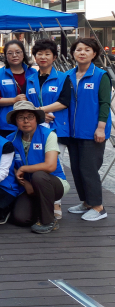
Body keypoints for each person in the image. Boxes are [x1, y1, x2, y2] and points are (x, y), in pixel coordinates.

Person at [66, 38, 112, 221]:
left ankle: (99, 207)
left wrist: (101, 128)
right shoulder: (68, 75)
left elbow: (104, 104)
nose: (82, 52)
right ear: (73, 53)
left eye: (87, 49)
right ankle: (86, 202)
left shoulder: (101, 76)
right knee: (76, 168)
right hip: (72, 132)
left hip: (93, 132)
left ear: (94, 54)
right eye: (78, 49)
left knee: (89, 168)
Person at [6, 101, 69, 233]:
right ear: (15, 121)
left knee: (39, 175)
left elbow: (50, 166)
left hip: (52, 182)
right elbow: (9, 167)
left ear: (37, 119)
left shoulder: (48, 135)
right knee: (21, 219)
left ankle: (48, 221)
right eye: (21, 117)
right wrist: (25, 185)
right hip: (26, 186)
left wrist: (24, 169)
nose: (26, 121)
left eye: (30, 116)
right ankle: (40, 209)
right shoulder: (10, 139)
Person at [26, 39, 71, 220]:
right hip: (35, 128)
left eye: (47, 54)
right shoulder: (30, 79)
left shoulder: (63, 77)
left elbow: (64, 102)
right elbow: (26, 103)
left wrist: (40, 111)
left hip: (56, 128)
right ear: (35, 56)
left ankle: (56, 202)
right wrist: (38, 115)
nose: (43, 57)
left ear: (54, 57)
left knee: (54, 165)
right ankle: (43, 199)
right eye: (39, 54)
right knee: (38, 162)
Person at [0, 40, 37, 137]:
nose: (14, 55)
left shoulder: (33, 73)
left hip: (30, 124)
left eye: (18, 52)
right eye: (10, 53)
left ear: (23, 54)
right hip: (6, 125)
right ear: (5, 56)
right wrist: (14, 100)